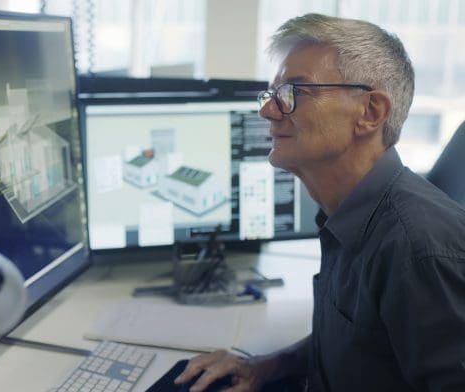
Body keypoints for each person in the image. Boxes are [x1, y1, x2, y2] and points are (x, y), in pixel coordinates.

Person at [174, 13, 465, 392]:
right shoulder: (345, 213)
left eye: (295, 91)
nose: (267, 111)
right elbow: (360, 340)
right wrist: (265, 368)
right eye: (273, 94)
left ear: (370, 112)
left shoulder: (419, 249)